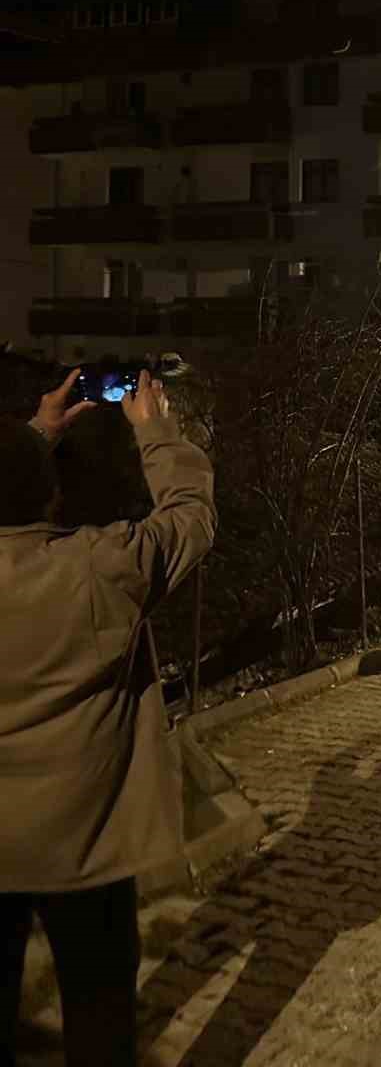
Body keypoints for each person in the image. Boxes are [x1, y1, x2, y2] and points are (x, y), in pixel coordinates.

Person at [0, 369, 215, 1067]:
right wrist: (156, 430)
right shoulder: (98, 568)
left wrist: (33, 434)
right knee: (98, 1010)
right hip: (85, 846)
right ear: (51, 493)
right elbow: (189, 516)